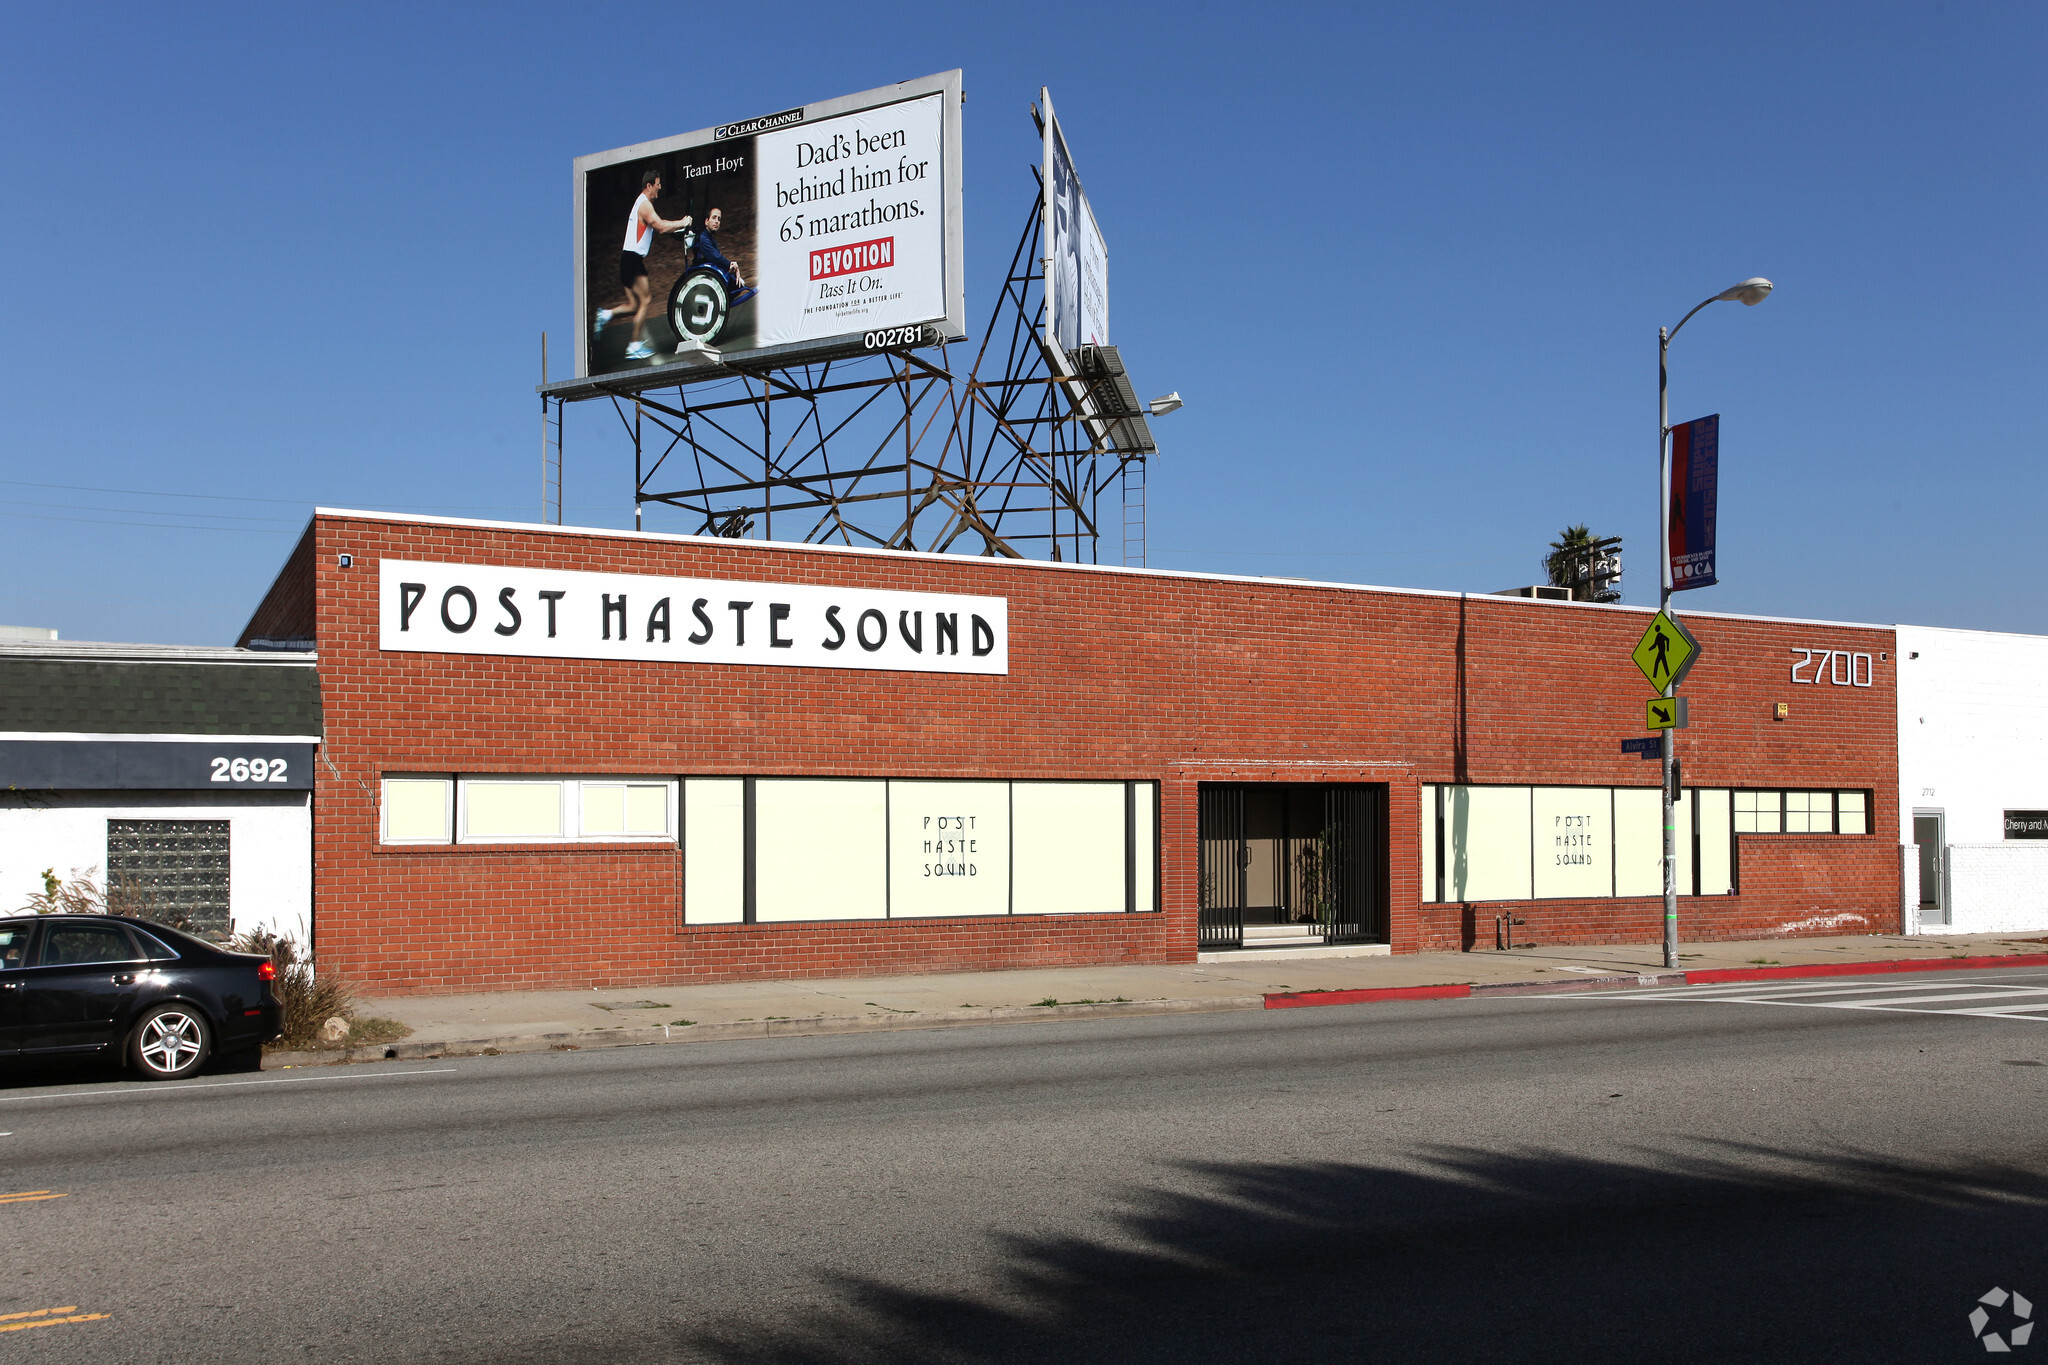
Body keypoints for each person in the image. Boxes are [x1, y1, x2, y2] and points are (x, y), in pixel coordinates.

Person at [595, 170, 692, 361]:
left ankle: (604, 315)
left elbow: (661, 226)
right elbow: (661, 227)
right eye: (658, 183)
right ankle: (633, 346)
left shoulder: (641, 203)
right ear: (649, 185)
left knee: (634, 305)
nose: (660, 187)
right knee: (646, 300)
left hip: (627, 260)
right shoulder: (645, 205)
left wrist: (680, 226)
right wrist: (683, 221)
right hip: (632, 260)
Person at [691, 207, 753, 303]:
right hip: (704, 274)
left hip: (709, 271)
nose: (717, 221)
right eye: (714, 218)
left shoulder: (709, 237)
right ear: (706, 221)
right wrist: (730, 264)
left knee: (738, 284)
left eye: (719, 219)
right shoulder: (703, 238)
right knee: (737, 285)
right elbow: (714, 257)